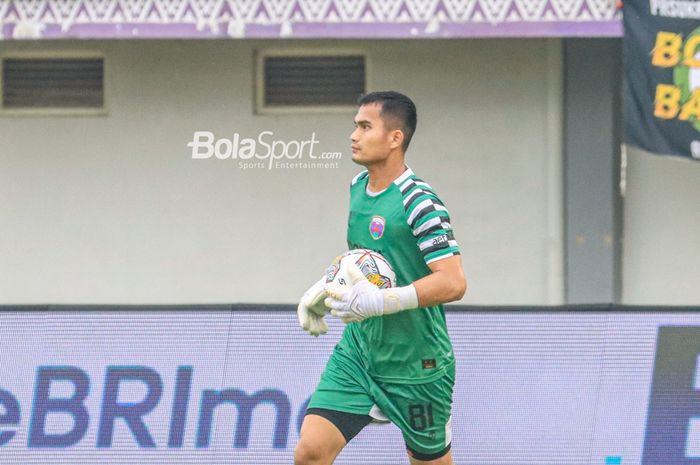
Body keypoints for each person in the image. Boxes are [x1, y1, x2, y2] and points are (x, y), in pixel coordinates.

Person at [295, 91, 467, 465]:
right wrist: (324, 290)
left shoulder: (420, 202)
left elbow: (453, 283)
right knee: (310, 452)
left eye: (364, 126)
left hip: (416, 362)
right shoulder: (357, 188)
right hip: (360, 352)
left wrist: (381, 302)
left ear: (395, 138)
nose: (353, 135)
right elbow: (364, 262)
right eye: (355, 126)